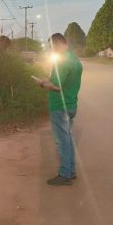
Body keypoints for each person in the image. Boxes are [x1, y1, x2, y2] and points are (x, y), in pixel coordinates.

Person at [33, 33, 83, 186]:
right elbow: (60, 81)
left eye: (52, 46)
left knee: (62, 141)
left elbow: (56, 86)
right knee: (68, 139)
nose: (51, 50)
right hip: (71, 104)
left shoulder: (62, 62)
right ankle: (71, 171)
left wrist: (41, 83)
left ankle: (65, 174)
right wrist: (48, 80)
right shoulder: (74, 59)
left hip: (60, 107)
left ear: (57, 44)